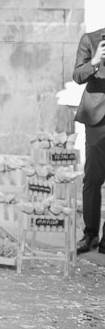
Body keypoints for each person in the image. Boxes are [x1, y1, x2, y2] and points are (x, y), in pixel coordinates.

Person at [74, 26, 105, 254]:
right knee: (93, 178)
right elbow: (77, 75)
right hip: (97, 119)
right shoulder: (91, 39)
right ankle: (90, 234)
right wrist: (95, 61)